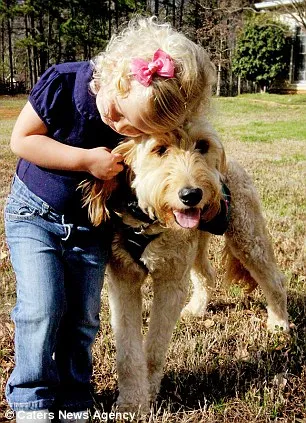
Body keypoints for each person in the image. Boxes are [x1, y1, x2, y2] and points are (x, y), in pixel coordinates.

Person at [4, 16, 215, 423]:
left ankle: (74, 392)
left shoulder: (141, 115)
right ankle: (31, 396)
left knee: (84, 317)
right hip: (34, 216)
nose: (118, 127)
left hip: (91, 226)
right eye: (119, 114)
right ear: (116, 76)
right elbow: (21, 141)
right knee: (41, 308)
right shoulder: (62, 82)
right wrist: (85, 160)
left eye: (134, 128)